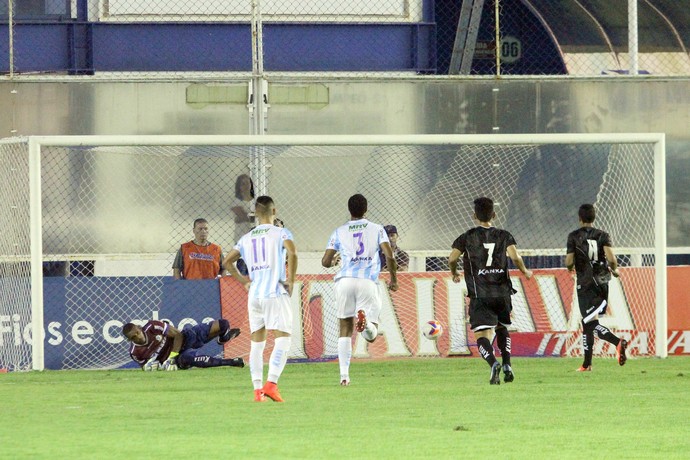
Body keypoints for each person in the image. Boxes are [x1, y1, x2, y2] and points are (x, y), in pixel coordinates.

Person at [448, 197, 533, 385]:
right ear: (494, 214)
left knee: (481, 336)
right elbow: (515, 257)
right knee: (502, 328)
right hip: (502, 292)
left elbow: (452, 258)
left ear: (474, 216)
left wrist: (454, 273)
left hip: (480, 294)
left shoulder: (467, 236)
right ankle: (508, 364)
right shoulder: (504, 235)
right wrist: (525, 271)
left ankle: (493, 363)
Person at [223, 196, 298, 403]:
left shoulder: (246, 238)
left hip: (254, 295)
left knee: (257, 343)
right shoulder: (281, 233)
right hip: (274, 292)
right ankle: (271, 384)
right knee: (283, 338)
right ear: (274, 211)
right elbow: (293, 252)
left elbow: (227, 261)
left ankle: (257, 391)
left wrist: (244, 281)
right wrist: (291, 280)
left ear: (255, 214)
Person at [321, 194, 398, 386]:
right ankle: (366, 323)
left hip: (345, 281)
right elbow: (389, 256)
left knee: (344, 328)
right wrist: (393, 279)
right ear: (366, 209)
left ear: (349, 210)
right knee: (371, 334)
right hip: (367, 281)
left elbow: (325, 261)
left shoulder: (339, 231)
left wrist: (334, 261)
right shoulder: (377, 229)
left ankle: (344, 376)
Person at [566, 203, 628, 372]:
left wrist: (570, 268)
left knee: (588, 323)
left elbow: (569, 261)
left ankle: (617, 342)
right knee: (589, 322)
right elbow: (612, 259)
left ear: (580, 219)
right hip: (602, 282)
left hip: (585, 283)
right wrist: (614, 270)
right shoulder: (603, 235)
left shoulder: (573, 236)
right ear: (594, 218)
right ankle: (587, 364)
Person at [122, 318, 243, 371]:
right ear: (129, 340)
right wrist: (154, 367)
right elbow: (145, 367)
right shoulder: (135, 352)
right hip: (178, 359)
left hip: (184, 341)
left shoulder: (152, 326)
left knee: (223, 324)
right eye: (133, 337)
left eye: (137, 333)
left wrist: (171, 356)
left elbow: (178, 335)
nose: (137, 337)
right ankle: (231, 362)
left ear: (139, 328)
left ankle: (223, 339)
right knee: (190, 358)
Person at [231, 174, 256, 243]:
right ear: (239, 187)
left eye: (248, 183)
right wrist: (255, 215)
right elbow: (243, 217)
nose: (246, 186)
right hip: (241, 236)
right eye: (243, 184)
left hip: (254, 235)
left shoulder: (255, 201)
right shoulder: (236, 202)